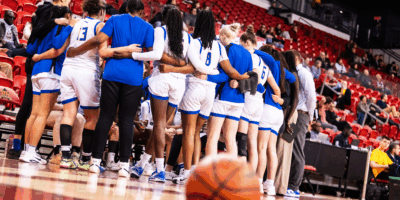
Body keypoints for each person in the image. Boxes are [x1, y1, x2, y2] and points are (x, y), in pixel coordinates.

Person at [67, 0, 155, 177]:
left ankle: (95, 161)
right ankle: (123, 165)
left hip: (112, 73)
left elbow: (100, 40)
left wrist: (76, 50)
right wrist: (135, 57)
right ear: (143, 12)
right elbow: (150, 54)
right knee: (127, 120)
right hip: (133, 77)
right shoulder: (148, 28)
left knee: (105, 117)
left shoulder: (114, 20)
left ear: (127, 8)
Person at [161, 10, 249, 184]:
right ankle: (195, 171)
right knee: (197, 133)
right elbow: (230, 71)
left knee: (188, 132)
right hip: (210, 93)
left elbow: (195, 66)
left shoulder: (194, 42)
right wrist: (246, 77)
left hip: (194, 88)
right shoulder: (219, 46)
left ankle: (187, 173)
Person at [19, 6, 73, 165]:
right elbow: (57, 46)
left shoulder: (42, 28)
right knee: (42, 114)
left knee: (34, 114)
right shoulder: (63, 26)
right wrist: (67, 29)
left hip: (36, 72)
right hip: (50, 71)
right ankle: (31, 151)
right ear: (67, 15)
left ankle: (27, 150)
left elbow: (30, 48)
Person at [235, 30, 281, 175]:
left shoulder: (253, 57)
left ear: (247, 43)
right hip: (259, 102)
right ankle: (253, 180)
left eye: (241, 45)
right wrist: (277, 98)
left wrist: (239, 81)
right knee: (252, 143)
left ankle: (240, 176)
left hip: (250, 97)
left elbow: (253, 75)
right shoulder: (266, 66)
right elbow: (276, 88)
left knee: (241, 139)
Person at [205, 23, 253, 159]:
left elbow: (224, 75)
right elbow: (250, 77)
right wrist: (238, 84)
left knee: (213, 136)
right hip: (239, 100)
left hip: (224, 96)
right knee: (230, 138)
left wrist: (206, 77)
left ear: (223, 36)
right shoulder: (247, 53)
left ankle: (210, 173)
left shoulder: (226, 49)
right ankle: (231, 174)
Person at [287, 45, 316, 198]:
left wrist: (309, 117)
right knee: (288, 146)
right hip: (293, 115)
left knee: (297, 148)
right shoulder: (294, 72)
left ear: (296, 58)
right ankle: (287, 182)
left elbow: (311, 97)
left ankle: (294, 186)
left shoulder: (304, 72)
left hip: (301, 115)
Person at [273, 50, 299, 195]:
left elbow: (295, 99)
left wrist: (288, 119)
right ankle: (278, 185)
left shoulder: (293, 75)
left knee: (284, 149)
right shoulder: (291, 73)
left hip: (291, 114)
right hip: (289, 113)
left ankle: (281, 187)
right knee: (281, 149)